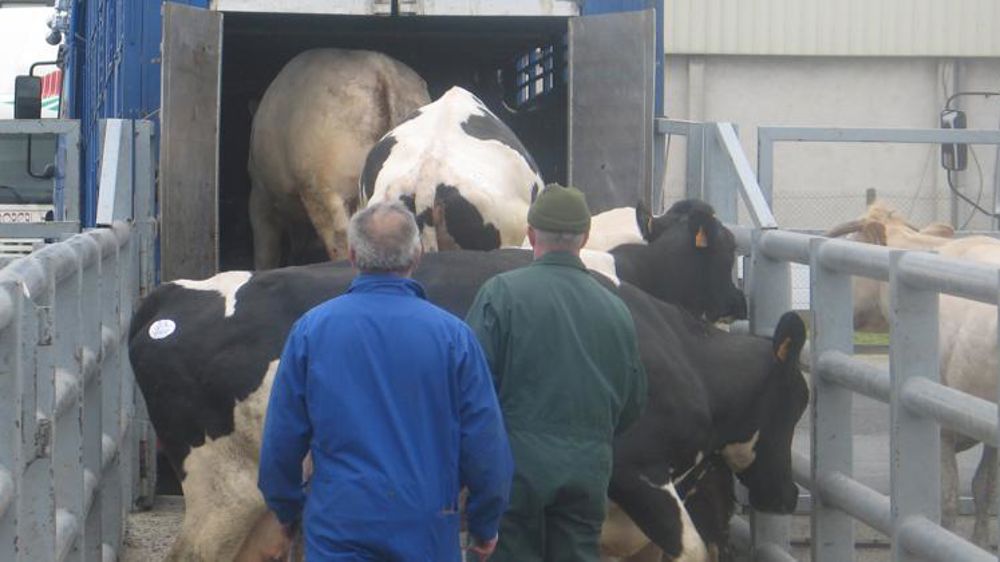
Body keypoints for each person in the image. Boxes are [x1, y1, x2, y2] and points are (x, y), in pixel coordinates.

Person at [258, 201, 513, 561]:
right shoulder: (454, 338)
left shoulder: (311, 332)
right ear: (418, 254)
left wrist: (286, 509)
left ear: (351, 255)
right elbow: (486, 447)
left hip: (338, 528)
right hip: (426, 529)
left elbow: (281, 441)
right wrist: (485, 526)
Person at [465, 183, 648, 562]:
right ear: (584, 238)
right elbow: (632, 405)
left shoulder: (501, 294)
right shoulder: (615, 308)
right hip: (587, 470)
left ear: (531, 234)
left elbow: (470, 389)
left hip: (513, 471)